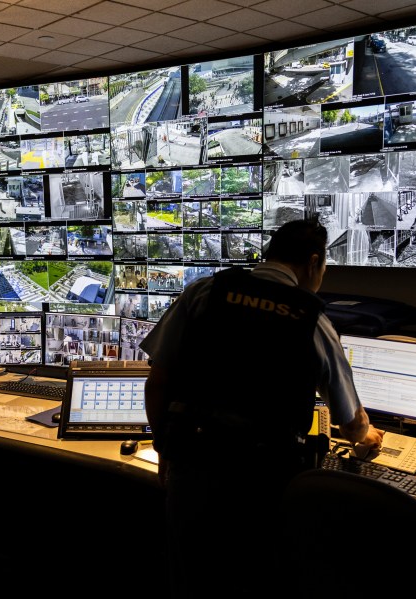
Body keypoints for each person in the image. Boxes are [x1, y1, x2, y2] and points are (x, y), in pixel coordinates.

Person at [140, 217, 383, 599]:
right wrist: (365, 434)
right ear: (314, 262)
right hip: (262, 484)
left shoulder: (204, 292)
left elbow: (157, 383)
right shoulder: (312, 318)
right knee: (253, 592)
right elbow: (348, 420)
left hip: (192, 464)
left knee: (190, 584)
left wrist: (165, 449)